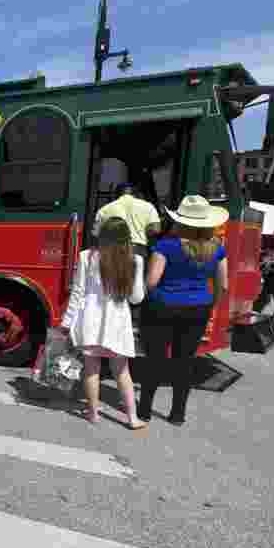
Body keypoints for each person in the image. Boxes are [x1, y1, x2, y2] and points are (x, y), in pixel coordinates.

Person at [137, 195, 229, 426]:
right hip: (198, 308)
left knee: (155, 359)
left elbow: (152, 281)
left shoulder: (165, 246)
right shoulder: (218, 248)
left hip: (162, 307)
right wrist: (211, 304)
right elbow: (223, 285)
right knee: (184, 361)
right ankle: (177, 414)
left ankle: (144, 410)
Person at [60, 218, 147, 429]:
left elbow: (78, 292)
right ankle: (132, 418)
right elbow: (136, 299)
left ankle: (93, 414)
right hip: (117, 324)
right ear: (127, 237)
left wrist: (67, 321)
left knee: (91, 369)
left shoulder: (87, 257)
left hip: (90, 321)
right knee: (122, 372)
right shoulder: (135, 260)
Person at [94, 183, 161, 262]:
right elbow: (156, 229)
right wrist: (142, 232)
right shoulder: (148, 206)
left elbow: (96, 234)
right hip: (138, 251)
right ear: (135, 195)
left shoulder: (104, 209)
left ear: (116, 195)